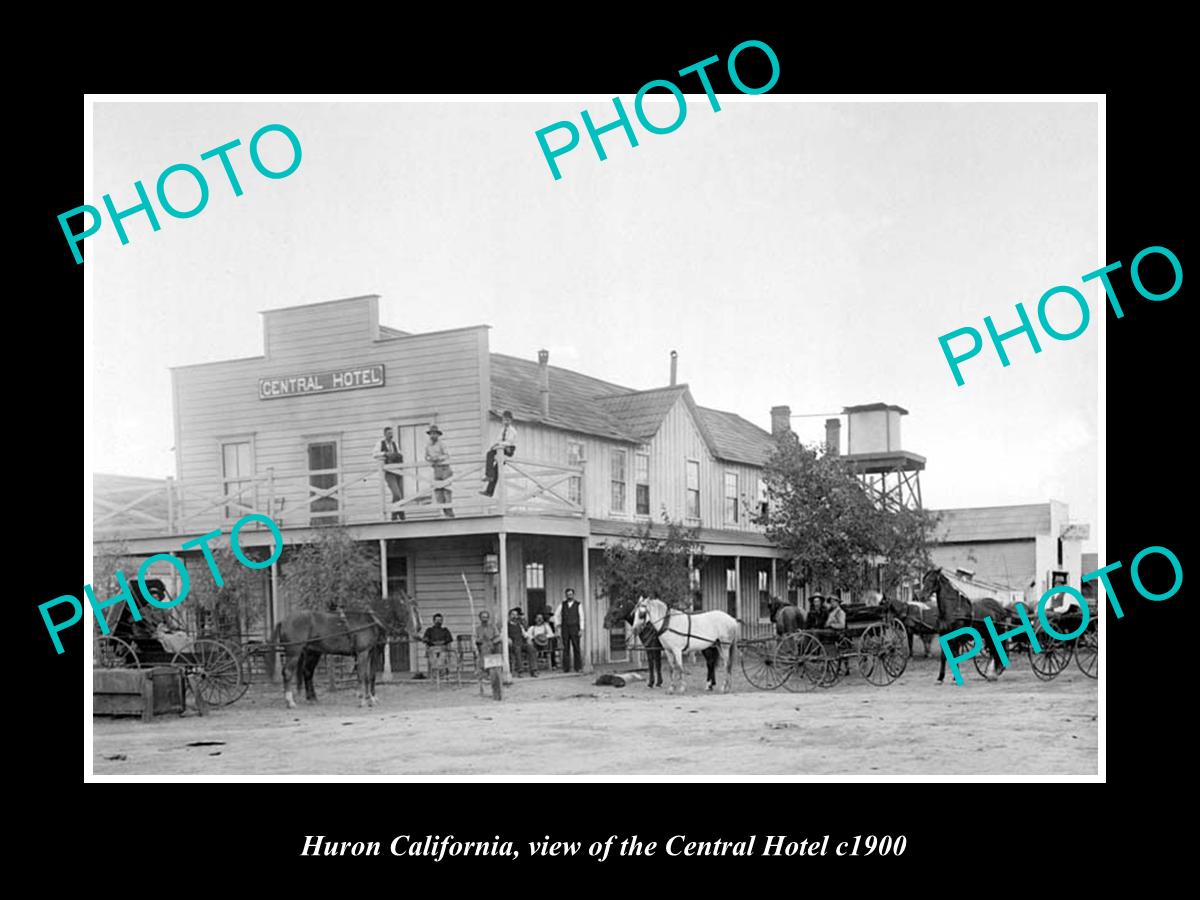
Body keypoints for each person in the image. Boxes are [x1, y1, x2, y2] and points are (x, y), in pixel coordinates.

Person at [481, 410, 517, 497]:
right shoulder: (502, 430)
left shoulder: (512, 431)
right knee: (490, 456)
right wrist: (495, 445)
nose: (506, 422)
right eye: (504, 420)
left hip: (508, 449)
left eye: (508, 420)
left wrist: (499, 445)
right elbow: (498, 439)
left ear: (511, 420)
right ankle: (489, 486)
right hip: (501, 448)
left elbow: (509, 442)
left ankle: (490, 477)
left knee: (497, 465)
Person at [374, 426, 406, 521]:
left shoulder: (395, 444)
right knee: (397, 494)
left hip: (398, 471)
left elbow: (400, 454)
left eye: (391, 433)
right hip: (389, 472)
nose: (390, 435)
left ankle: (400, 515)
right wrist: (385, 454)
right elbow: (374, 454)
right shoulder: (380, 443)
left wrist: (396, 456)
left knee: (401, 495)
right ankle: (395, 514)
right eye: (389, 433)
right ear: (385, 434)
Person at [424, 424, 454, 517]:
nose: (433, 436)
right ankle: (445, 513)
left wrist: (438, 458)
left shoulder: (442, 444)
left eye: (435, 434)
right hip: (436, 470)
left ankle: (450, 514)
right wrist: (430, 459)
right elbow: (426, 456)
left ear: (438, 435)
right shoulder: (428, 445)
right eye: (431, 434)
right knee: (438, 492)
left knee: (446, 491)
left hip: (445, 469)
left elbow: (447, 455)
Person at [553, 587, 584, 673]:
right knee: (565, 648)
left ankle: (578, 667)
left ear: (573, 595)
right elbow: (556, 615)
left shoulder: (578, 604)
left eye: (571, 594)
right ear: (566, 595)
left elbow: (581, 617)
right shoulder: (562, 604)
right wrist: (558, 624)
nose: (569, 596)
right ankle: (566, 668)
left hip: (575, 628)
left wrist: (581, 629)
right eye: (568, 594)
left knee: (576, 647)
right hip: (565, 628)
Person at [507, 608, 539, 677]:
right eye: (513, 615)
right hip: (513, 644)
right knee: (517, 650)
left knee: (531, 648)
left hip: (521, 643)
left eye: (516, 615)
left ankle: (534, 670)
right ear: (509, 616)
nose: (515, 616)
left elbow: (525, 634)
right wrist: (508, 639)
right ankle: (520, 671)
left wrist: (528, 639)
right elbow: (502, 636)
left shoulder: (520, 625)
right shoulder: (506, 626)